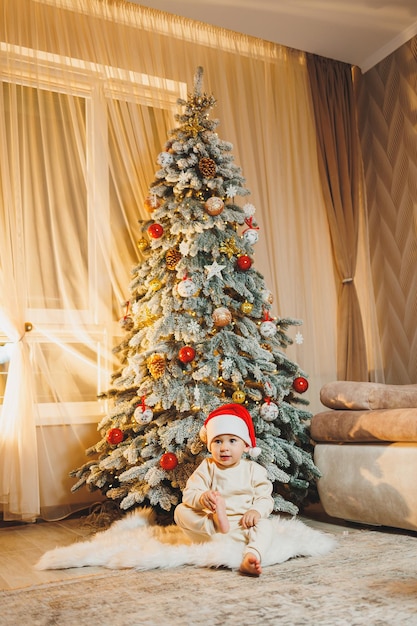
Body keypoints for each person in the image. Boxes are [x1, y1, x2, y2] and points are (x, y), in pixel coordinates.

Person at [174, 403, 274, 576]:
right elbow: (189, 493)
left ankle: (251, 555)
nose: (224, 448)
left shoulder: (253, 470)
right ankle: (216, 522)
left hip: (243, 525)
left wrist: (256, 511)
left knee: (266, 525)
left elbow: (265, 498)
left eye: (232, 441)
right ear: (210, 445)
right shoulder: (208, 466)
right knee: (180, 511)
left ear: (245, 445)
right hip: (212, 528)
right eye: (218, 441)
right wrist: (202, 497)